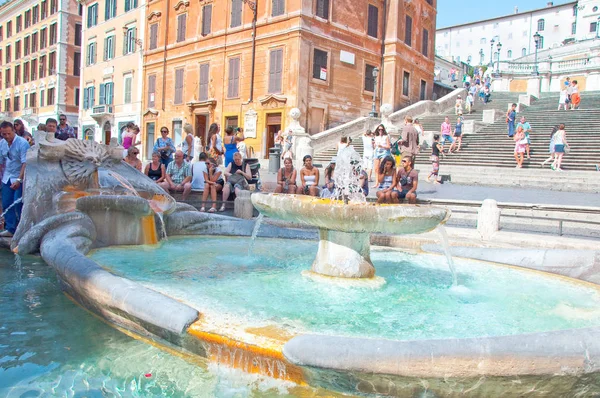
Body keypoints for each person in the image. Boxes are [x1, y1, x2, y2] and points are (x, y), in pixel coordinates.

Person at [0, 121, 29, 237]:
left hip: (20, 176)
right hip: (7, 177)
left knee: (18, 203)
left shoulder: (22, 143)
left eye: (8, 133)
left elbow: (25, 163)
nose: (6, 136)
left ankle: (21, 229)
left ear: (13, 131)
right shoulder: (2, 143)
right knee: (6, 202)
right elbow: (1, 162)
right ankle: (11, 228)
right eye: (3, 134)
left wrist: (19, 180)